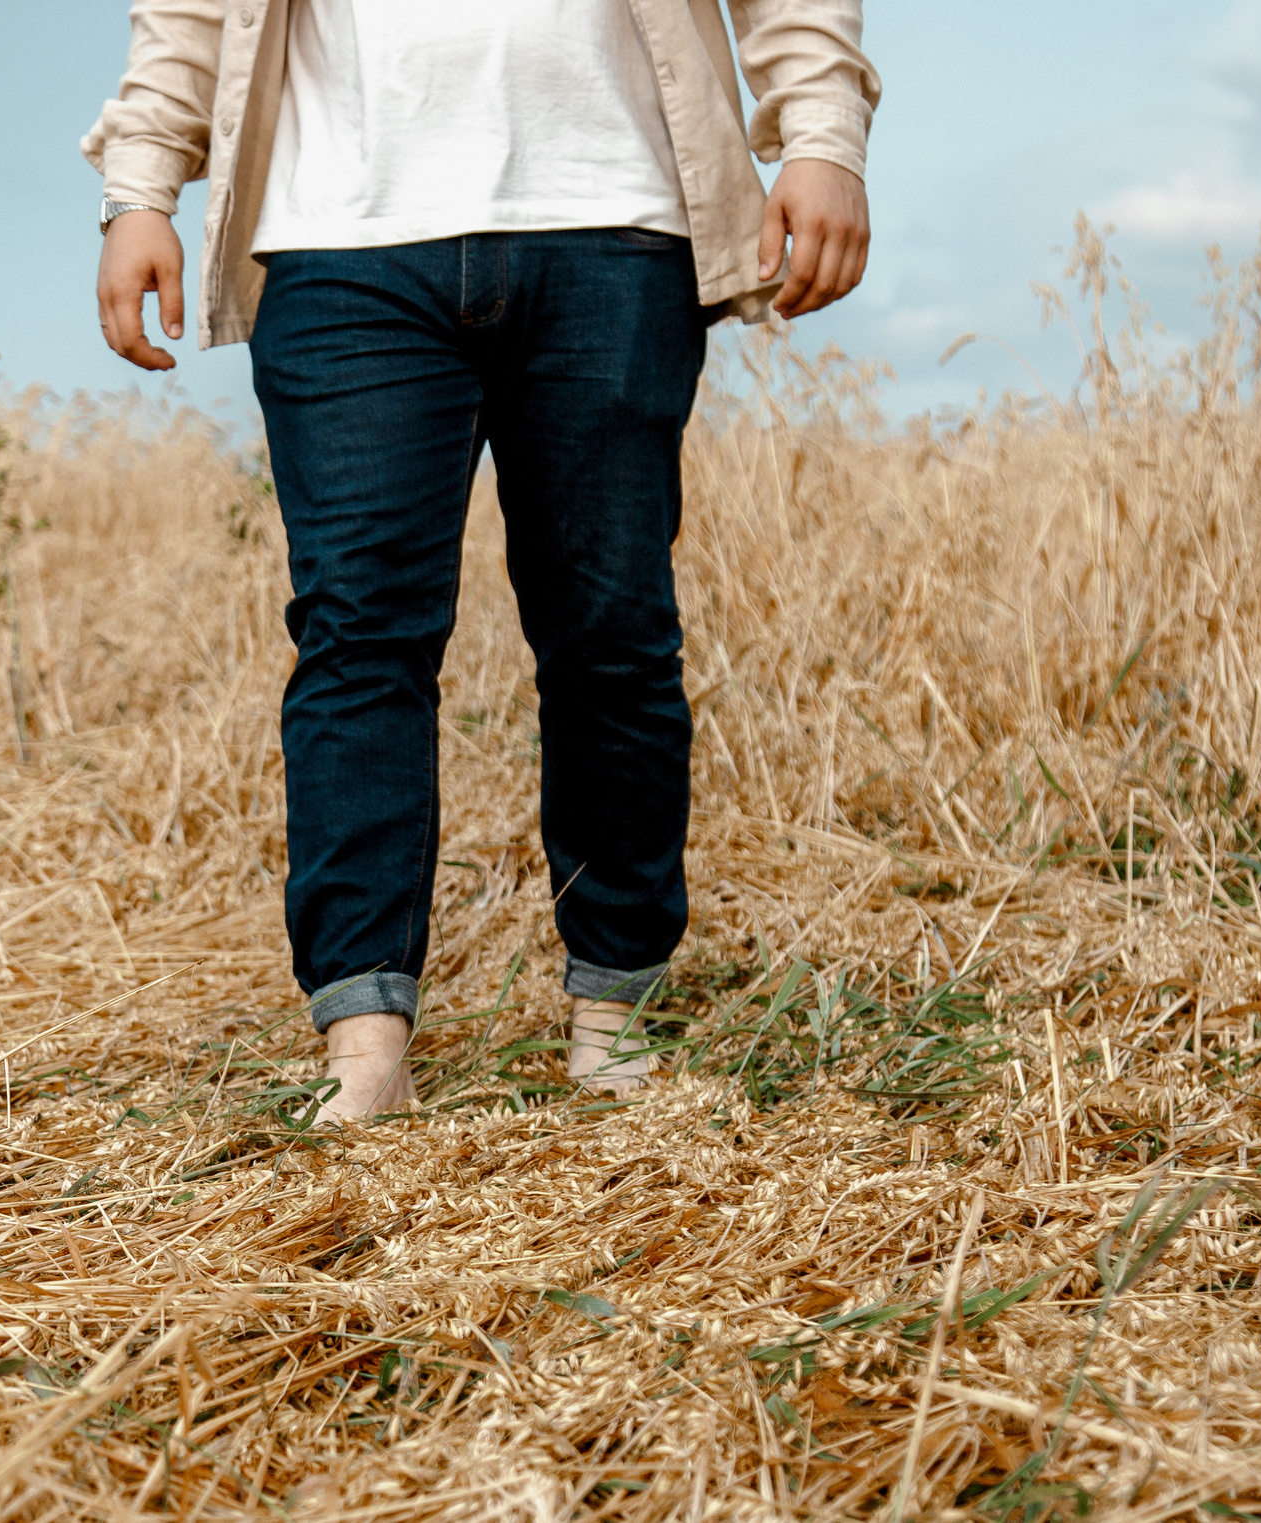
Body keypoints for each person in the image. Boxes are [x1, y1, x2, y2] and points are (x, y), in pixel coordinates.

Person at [85, 0, 878, 1122]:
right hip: (338, 238)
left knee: (611, 632)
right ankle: (364, 1044)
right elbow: (186, 14)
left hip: (614, 222)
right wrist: (138, 192)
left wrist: (821, 137)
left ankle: (615, 1017)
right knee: (358, 630)